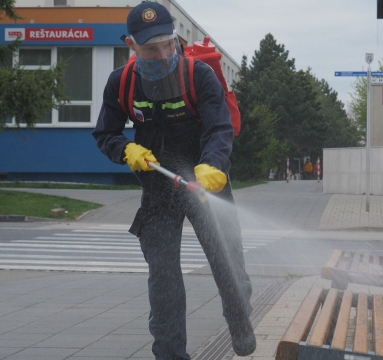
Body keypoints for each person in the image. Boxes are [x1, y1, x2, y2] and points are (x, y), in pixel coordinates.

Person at [92, 2, 254, 358]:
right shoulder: (121, 83)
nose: (164, 53)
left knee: (226, 260)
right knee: (163, 276)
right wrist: (125, 150)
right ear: (131, 44)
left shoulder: (199, 76)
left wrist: (213, 164)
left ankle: (239, 318)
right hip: (159, 188)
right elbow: (105, 133)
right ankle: (169, 353)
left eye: (169, 44)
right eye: (152, 48)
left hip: (205, 183)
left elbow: (219, 127)